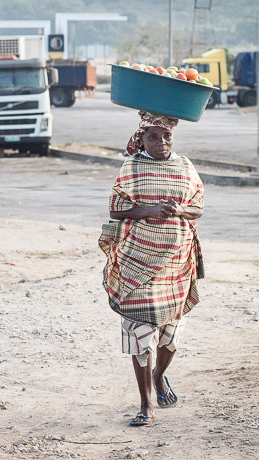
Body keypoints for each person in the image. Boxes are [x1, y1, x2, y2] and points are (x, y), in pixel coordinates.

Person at [99, 111, 204, 427]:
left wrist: (181, 209)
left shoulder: (185, 166)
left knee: (170, 337)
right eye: (153, 137)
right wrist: (149, 210)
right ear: (141, 139)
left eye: (166, 136)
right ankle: (146, 405)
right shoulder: (131, 167)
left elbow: (199, 207)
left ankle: (160, 376)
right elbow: (116, 210)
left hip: (176, 266)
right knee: (141, 335)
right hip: (137, 265)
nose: (161, 143)